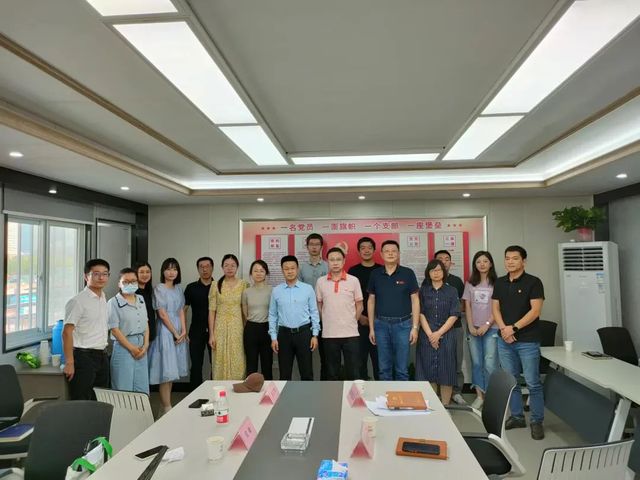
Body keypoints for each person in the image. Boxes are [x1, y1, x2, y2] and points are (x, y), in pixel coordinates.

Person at [492, 245, 545, 440]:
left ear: (524, 261)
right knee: (511, 381)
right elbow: (495, 308)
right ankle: (517, 416)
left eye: (515, 258)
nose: (510, 262)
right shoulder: (500, 282)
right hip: (505, 340)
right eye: (507, 258)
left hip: (527, 340)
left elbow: (535, 311)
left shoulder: (534, 282)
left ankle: (536, 421)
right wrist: (504, 329)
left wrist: (513, 328)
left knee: (532, 383)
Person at [368, 240, 420, 381]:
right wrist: (372, 328)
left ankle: (401, 396)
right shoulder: (375, 274)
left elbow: (415, 299)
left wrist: (415, 327)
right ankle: (385, 395)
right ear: (381, 254)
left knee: (402, 369)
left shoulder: (408, 273)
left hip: (403, 326)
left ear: (398, 254)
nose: (390, 254)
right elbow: (371, 300)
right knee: (384, 368)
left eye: (393, 251)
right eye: (387, 251)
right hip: (381, 326)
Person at [63, 259, 111, 400]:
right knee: (81, 400)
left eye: (105, 274)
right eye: (96, 274)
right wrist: (69, 362)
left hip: (102, 355)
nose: (101, 277)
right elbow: (66, 332)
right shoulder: (78, 301)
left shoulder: (103, 297)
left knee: (101, 399)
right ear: (86, 276)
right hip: (83, 357)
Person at [415, 259, 460, 404]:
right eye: (433, 270)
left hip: (446, 334)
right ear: (428, 273)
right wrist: (430, 335)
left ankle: (446, 406)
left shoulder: (452, 291)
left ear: (444, 272)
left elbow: (454, 314)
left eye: (439, 270)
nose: (436, 273)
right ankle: (433, 406)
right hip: (426, 334)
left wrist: (438, 333)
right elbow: (420, 313)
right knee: (427, 370)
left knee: (447, 371)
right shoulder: (422, 291)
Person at [269, 255, 320, 380]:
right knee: (284, 373)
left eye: (292, 268)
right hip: (284, 335)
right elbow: (272, 315)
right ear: (282, 271)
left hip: (304, 333)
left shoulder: (307, 289)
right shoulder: (276, 291)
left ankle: (307, 393)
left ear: (297, 269)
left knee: (306, 372)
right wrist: (273, 338)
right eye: (286, 268)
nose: (290, 271)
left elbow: (314, 312)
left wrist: (315, 335)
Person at [148, 258, 188, 415]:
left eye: (174, 269)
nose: (171, 272)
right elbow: (162, 314)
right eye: (168, 269)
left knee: (172, 372)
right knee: (166, 370)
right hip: (165, 330)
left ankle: (165, 406)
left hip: (178, 328)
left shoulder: (178, 289)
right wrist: (175, 332)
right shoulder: (159, 288)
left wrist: (183, 330)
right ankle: (167, 408)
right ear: (163, 271)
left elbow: (181, 310)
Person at [316, 247, 363, 380]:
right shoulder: (321, 282)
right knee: (332, 373)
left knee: (354, 372)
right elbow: (319, 305)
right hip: (329, 334)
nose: (335, 262)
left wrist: (351, 320)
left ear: (344, 261)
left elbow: (360, 305)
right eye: (332, 260)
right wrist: (327, 320)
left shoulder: (353, 280)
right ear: (327, 262)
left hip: (351, 334)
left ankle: (354, 394)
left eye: (338, 259)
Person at [463, 251, 499, 410]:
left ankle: (491, 397)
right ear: (475, 265)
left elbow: (498, 308)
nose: (482, 264)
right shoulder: (470, 283)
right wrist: (471, 326)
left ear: (490, 264)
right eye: (478, 261)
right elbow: (468, 306)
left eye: (485, 261)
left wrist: (487, 324)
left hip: (492, 328)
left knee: (490, 363)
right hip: (473, 329)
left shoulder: (498, 283)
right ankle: (479, 396)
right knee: (477, 363)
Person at [107, 268, 150, 394]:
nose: (130, 284)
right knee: (123, 387)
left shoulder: (141, 299)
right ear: (119, 284)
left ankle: (141, 409)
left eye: (133, 281)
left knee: (141, 387)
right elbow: (114, 330)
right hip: (124, 346)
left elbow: (146, 324)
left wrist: (146, 345)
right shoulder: (113, 302)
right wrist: (132, 348)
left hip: (141, 346)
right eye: (126, 282)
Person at [209, 254, 249, 380]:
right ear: (222, 267)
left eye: (233, 265)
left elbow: (245, 310)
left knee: (238, 357)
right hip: (220, 328)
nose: (229, 268)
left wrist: (247, 329)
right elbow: (212, 311)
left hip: (237, 327)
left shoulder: (244, 284)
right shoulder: (215, 285)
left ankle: (237, 386)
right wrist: (211, 334)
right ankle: (220, 389)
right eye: (226, 265)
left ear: (237, 267)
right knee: (219, 359)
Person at [435, 249, 467, 405]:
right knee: (437, 361)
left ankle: (456, 391)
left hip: (455, 327)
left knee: (456, 360)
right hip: (435, 329)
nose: (443, 261)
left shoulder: (457, 281)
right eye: (440, 259)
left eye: (447, 259)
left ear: (450, 262)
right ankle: (438, 392)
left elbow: (462, 304)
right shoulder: (428, 282)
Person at [348, 237, 382, 380]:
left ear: (374, 250)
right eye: (363, 248)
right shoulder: (353, 271)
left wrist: (375, 319)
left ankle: (380, 390)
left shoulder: (381, 270)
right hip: (359, 322)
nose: (366, 250)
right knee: (359, 361)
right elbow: (348, 297)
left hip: (379, 322)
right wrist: (360, 316)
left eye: (369, 247)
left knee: (379, 362)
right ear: (359, 251)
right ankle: (361, 391)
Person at [298, 233, 328, 379]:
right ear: (307, 246)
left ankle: (325, 384)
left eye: (317, 244)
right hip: (306, 317)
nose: (314, 247)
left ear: (321, 247)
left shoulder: (328, 266)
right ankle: (308, 384)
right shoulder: (301, 268)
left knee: (326, 355)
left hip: (325, 315)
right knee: (305, 355)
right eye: (311, 244)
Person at [184, 256, 214, 390]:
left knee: (216, 364)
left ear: (212, 268)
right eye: (201, 267)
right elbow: (183, 310)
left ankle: (215, 392)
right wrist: (184, 330)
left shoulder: (218, 286)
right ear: (198, 269)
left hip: (215, 332)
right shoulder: (191, 287)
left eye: (207, 266)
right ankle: (194, 394)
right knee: (196, 365)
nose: (205, 269)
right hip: (196, 331)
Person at [242, 260, 274, 379]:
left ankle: (268, 389)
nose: (259, 273)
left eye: (262, 271)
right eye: (255, 271)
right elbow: (245, 312)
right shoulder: (246, 292)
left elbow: (274, 312)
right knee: (251, 364)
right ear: (251, 273)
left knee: (267, 364)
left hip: (267, 329)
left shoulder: (272, 290)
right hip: (251, 329)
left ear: (266, 273)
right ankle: (251, 389)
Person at [134, 262, 156, 343]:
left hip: (149, 335)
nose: (145, 275)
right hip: (137, 336)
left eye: (148, 272)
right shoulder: (133, 292)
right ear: (135, 273)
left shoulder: (150, 291)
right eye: (141, 272)